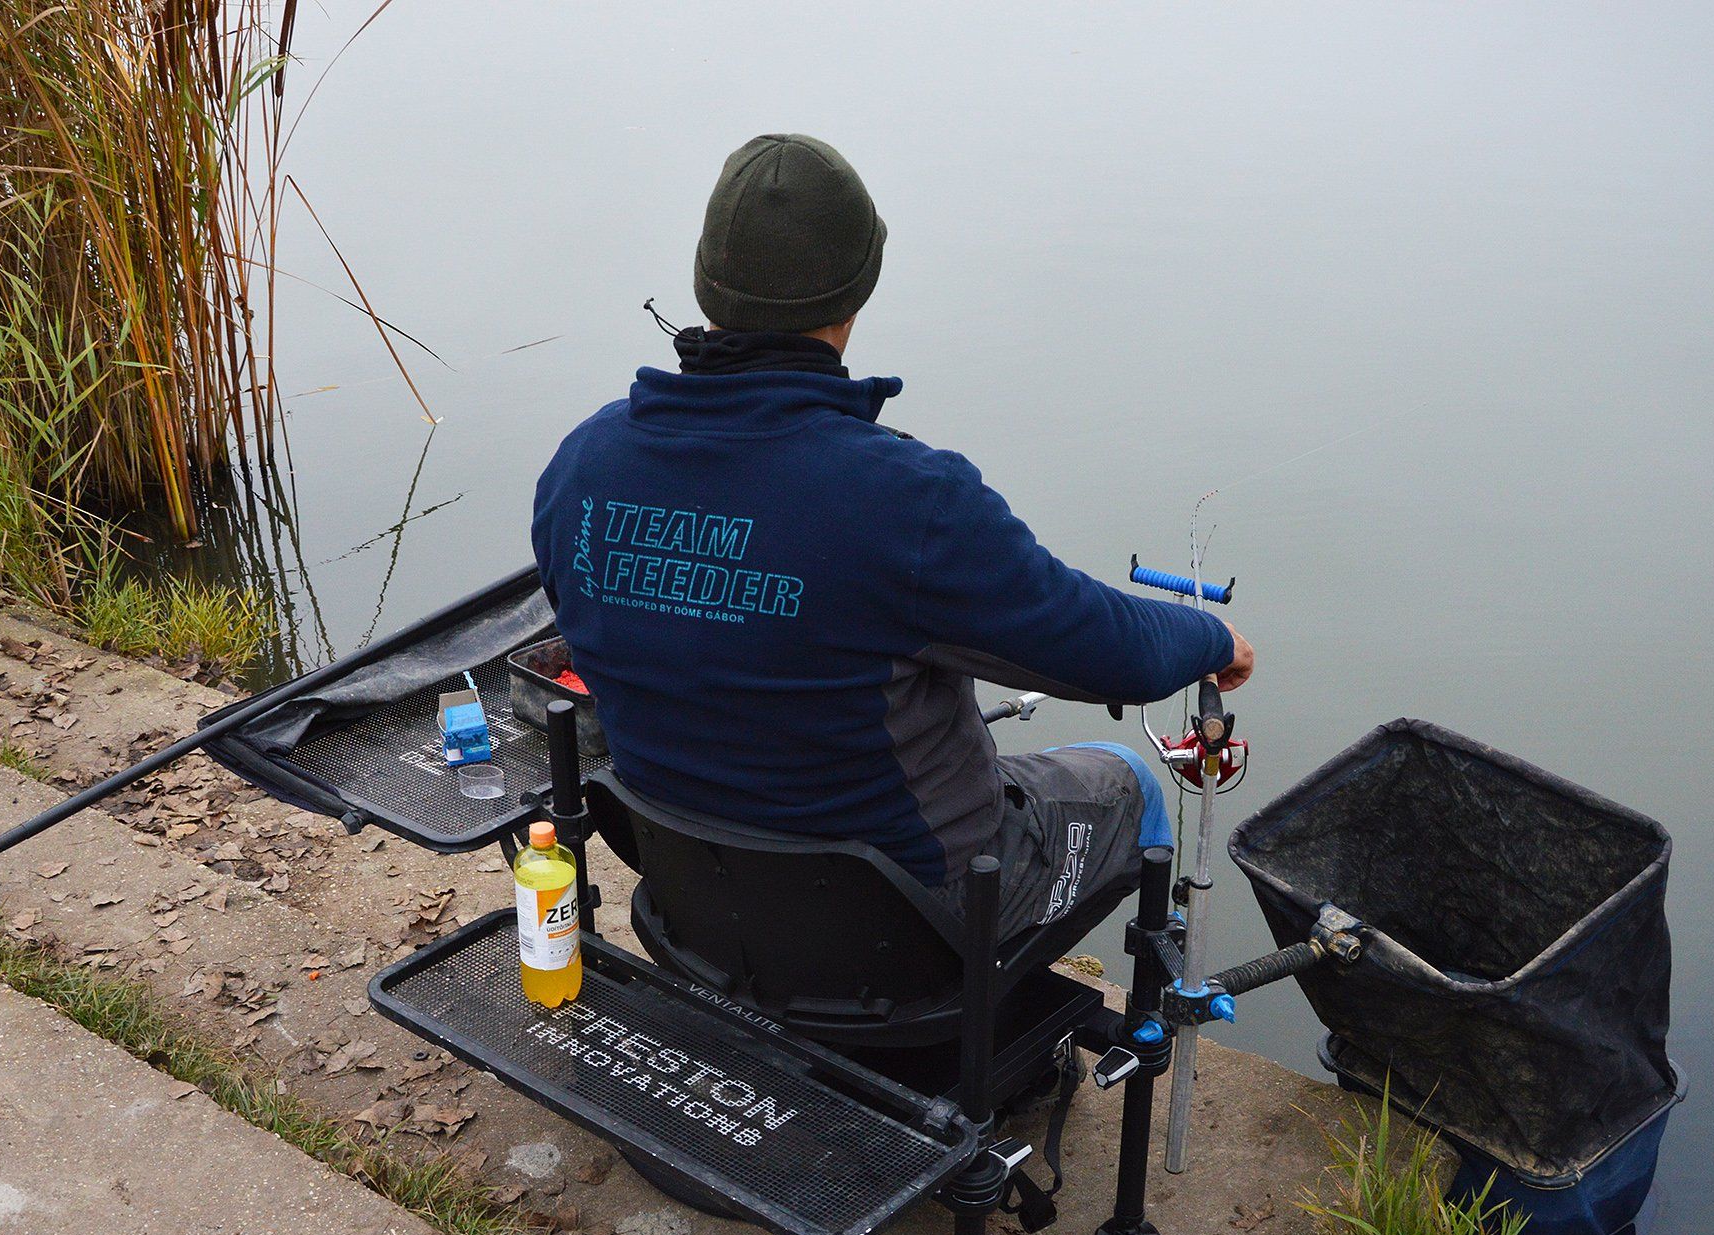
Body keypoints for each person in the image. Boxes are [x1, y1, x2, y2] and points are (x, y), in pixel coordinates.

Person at [532, 133, 1252, 938]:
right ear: (859, 290)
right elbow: (1112, 652)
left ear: (706, 282)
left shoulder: (581, 468)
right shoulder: (910, 500)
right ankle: (1018, 1030)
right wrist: (1209, 636)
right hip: (903, 926)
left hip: (698, 897)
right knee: (1128, 784)